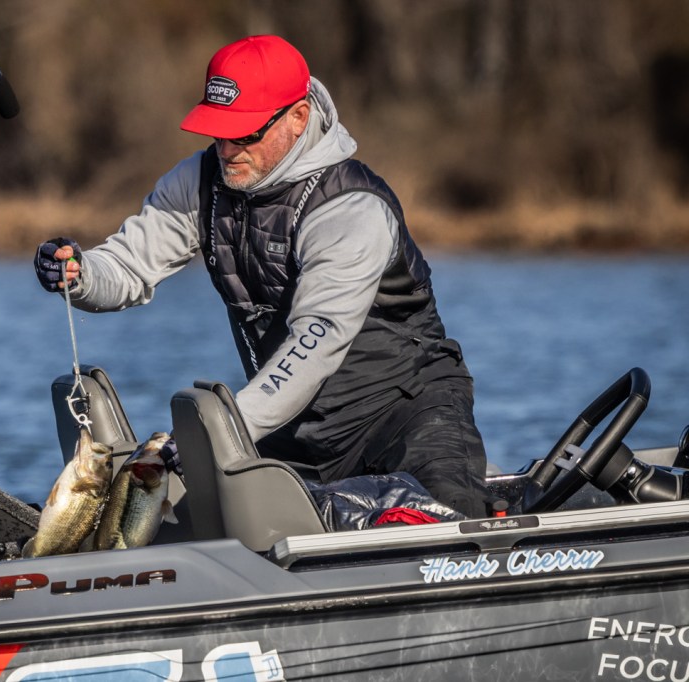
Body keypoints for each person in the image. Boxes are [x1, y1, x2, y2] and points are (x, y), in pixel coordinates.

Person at [35, 35, 491, 519]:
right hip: (293, 428)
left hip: (407, 417)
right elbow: (128, 265)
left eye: (245, 133)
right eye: (218, 132)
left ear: (298, 117)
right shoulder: (198, 182)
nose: (228, 150)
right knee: (192, 514)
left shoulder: (351, 209)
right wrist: (80, 274)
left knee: (445, 518)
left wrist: (223, 432)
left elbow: (316, 343)